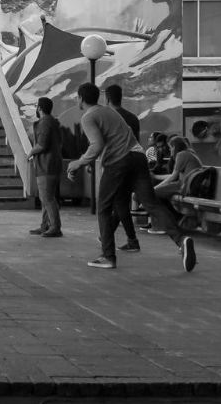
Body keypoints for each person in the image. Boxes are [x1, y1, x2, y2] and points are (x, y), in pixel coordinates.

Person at [68, 82, 195, 273]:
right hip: (138, 157)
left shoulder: (88, 117)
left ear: (80, 98)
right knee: (151, 204)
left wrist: (78, 163)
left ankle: (108, 256)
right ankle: (181, 239)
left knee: (103, 208)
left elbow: (97, 145)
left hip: (118, 162)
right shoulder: (109, 112)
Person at [103, 84, 146, 242]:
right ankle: (108, 235)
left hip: (116, 162)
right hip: (133, 161)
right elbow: (136, 141)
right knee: (121, 201)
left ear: (107, 99)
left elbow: (105, 143)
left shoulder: (109, 117)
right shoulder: (133, 118)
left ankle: (131, 239)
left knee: (118, 203)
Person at [26, 96, 63, 237]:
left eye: (37, 106)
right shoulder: (53, 122)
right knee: (46, 197)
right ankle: (45, 225)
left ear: (40, 108)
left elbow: (42, 145)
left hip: (46, 166)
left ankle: (55, 227)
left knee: (47, 198)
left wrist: (30, 153)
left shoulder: (44, 123)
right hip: (53, 164)